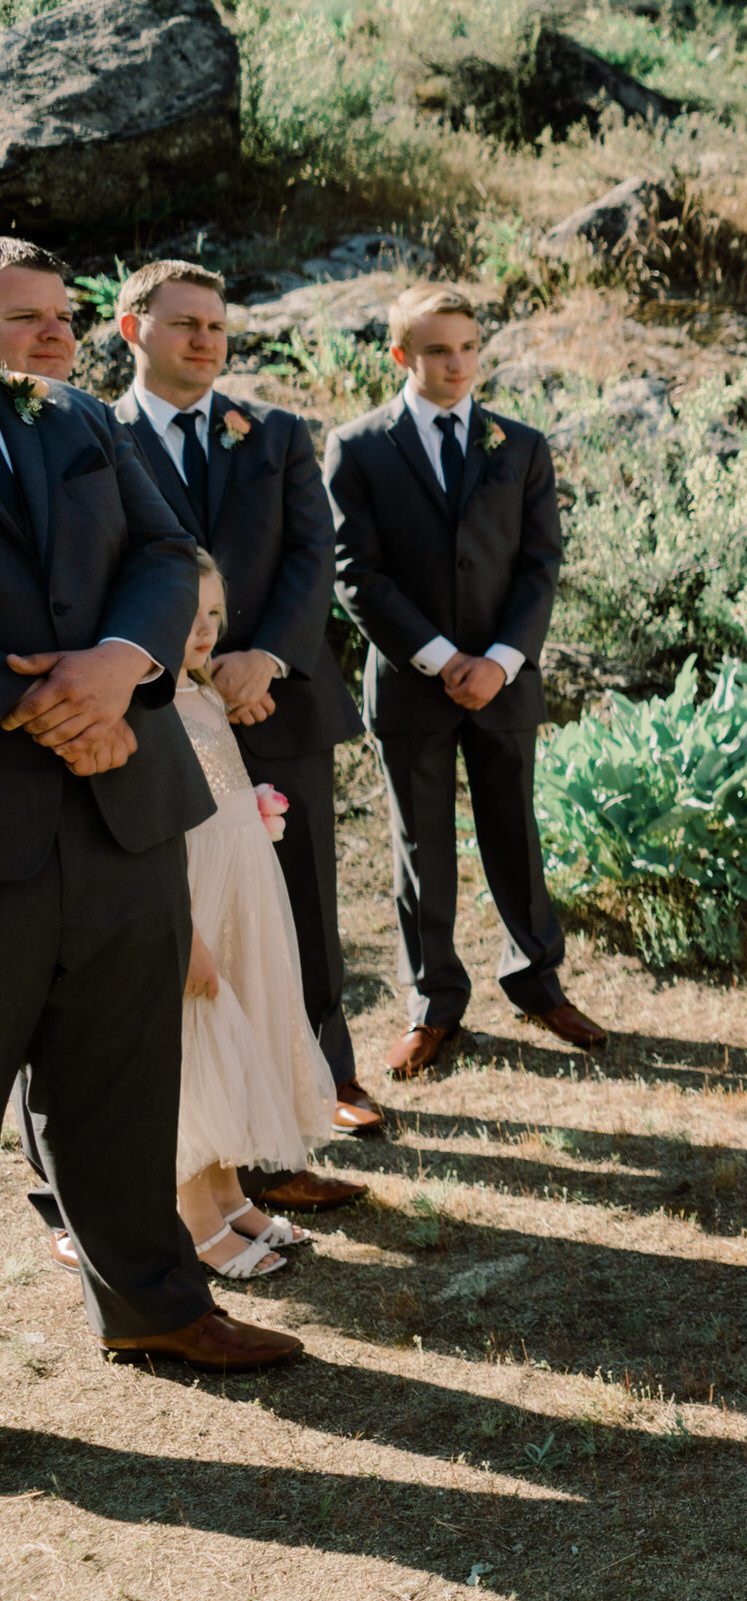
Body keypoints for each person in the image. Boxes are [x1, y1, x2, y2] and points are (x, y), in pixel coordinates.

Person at [0, 235, 298, 1370]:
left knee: (124, 1076)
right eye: (22, 316)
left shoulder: (75, 422)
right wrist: (43, 699)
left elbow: (170, 554)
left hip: (130, 806)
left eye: (60, 314)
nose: (52, 333)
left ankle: (158, 1306)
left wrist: (122, 663)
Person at [109, 260, 379, 1160]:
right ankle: (203, 1125)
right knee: (181, 912)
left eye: (217, 326)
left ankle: (325, 1080)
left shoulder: (275, 432)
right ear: (130, 328)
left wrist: (264, 657)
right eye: (185, 323)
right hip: (151, 718)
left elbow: (314, 550)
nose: (205, 340)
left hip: (277, 703)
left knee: (298, 901)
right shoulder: (92, 437)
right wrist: (174, 672)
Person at [328, 285, 605, 1078]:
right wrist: (444, 658)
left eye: (469, 348)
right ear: (401, 355)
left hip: (505, 681)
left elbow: (539, 566)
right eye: (439, 350)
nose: (457, 364)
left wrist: (500, 661)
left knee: (515, 834)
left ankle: (536, 979)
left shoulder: (518, 445)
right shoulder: (359, 446)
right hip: (415, 684)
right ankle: (434, 1003)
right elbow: (357, 574)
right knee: (422, 848)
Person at [168, 552, 339, 1278]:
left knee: (241, 1034)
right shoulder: (156, 706)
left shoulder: (205, 694)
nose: (204, 631)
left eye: (214, 615)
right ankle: (193, 1214)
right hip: (197, 894)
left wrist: (253, 808)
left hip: (244, 887)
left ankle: (231, 1195)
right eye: (187, 616)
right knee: (198, 1045)